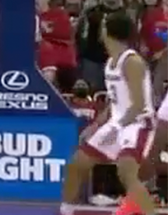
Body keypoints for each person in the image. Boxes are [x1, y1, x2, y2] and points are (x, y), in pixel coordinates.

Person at [60, 11, 157, 215]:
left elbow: (139, 105)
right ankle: (65, 211)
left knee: (126, 173)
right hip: (118, 121)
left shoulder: (132, 62)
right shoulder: (110, 63)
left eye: (103, 25)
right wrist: (96, 126)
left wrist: (117, 127)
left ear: (109, 32)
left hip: (138, 124)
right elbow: (115, 102)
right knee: (76, 165)